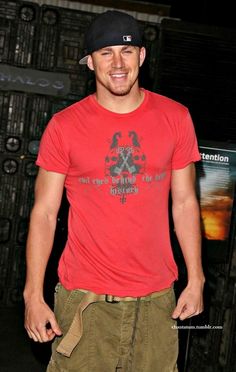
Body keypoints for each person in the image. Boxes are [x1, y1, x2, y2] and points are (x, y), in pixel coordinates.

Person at [23, 10, 205, 372]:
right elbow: (44, 212)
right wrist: (33, 294)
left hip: (157, 305)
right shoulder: (64, 127)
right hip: (85, 302)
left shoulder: (176, 117)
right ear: (90, 62)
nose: (117, 63)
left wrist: (196, 278)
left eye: (126, 51)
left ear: (141, 56)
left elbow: (185, 203)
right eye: (105, 53)